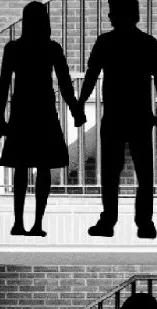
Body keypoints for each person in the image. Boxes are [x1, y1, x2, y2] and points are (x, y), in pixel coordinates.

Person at [77, 0, 157, 240]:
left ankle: (108, 221)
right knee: (144, 173)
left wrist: (80, 103)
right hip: (139, 116)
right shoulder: (147, 42)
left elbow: (91, 76)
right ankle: (144, 223)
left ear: (114, 15)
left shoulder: (106, 42)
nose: (108, 16)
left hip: (115, 117)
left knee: (110, 173)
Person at [0, 1, 85, 236]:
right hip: (44, 112)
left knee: (20, 169)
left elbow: (3, 85)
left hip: (21, 111)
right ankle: (37, 223)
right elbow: (66, 86)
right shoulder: (52, 48)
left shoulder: (13, 49)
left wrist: (0, 117)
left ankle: (18, 223)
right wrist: (76, 111)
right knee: (44, 169)